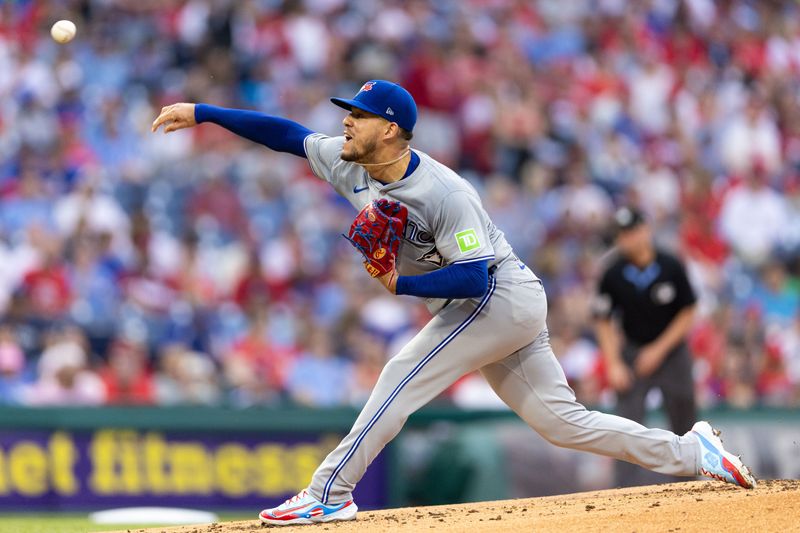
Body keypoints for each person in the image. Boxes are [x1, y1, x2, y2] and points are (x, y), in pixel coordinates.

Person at [152, 80, 756, 527]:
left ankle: (328, 492)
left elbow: (471, 278)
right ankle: (690, 449)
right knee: (563, 424)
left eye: (357, 116)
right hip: (495, 305)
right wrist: (203, 112)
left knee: (399, 374)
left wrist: (402, 286)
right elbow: (284, 134)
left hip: (499, 295)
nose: (345, 124)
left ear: (390, 128)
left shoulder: (444, 191)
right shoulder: (347, 163)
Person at [594, 207, 698, 486]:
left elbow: (687, 312)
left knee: (685, 419)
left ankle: (691, 485)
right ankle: (623, 492)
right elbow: (602, 320)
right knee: (626, 425)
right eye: (622, 234)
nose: (627, 239)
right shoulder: (613, 273)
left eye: (631, 232)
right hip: (633, 351)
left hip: (672, 353)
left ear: (645, 230)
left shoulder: (670, 266)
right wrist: (614, 363)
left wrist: (659, 349)